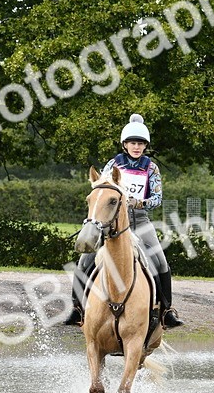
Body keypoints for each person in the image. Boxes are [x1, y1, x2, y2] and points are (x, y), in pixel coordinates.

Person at [64, 113, 184, 329]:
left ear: (145, 146)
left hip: (140, 219)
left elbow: (156, 199)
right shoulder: (113, 165)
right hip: (112, 219)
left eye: (140, 144)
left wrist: (136, 202)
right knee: (85, 260)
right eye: (132, 143)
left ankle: (167, 311)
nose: (136, 147)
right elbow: (102, 190)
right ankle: (77, 308)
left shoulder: (151, 168)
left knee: (160, 261)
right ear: (125, 144)